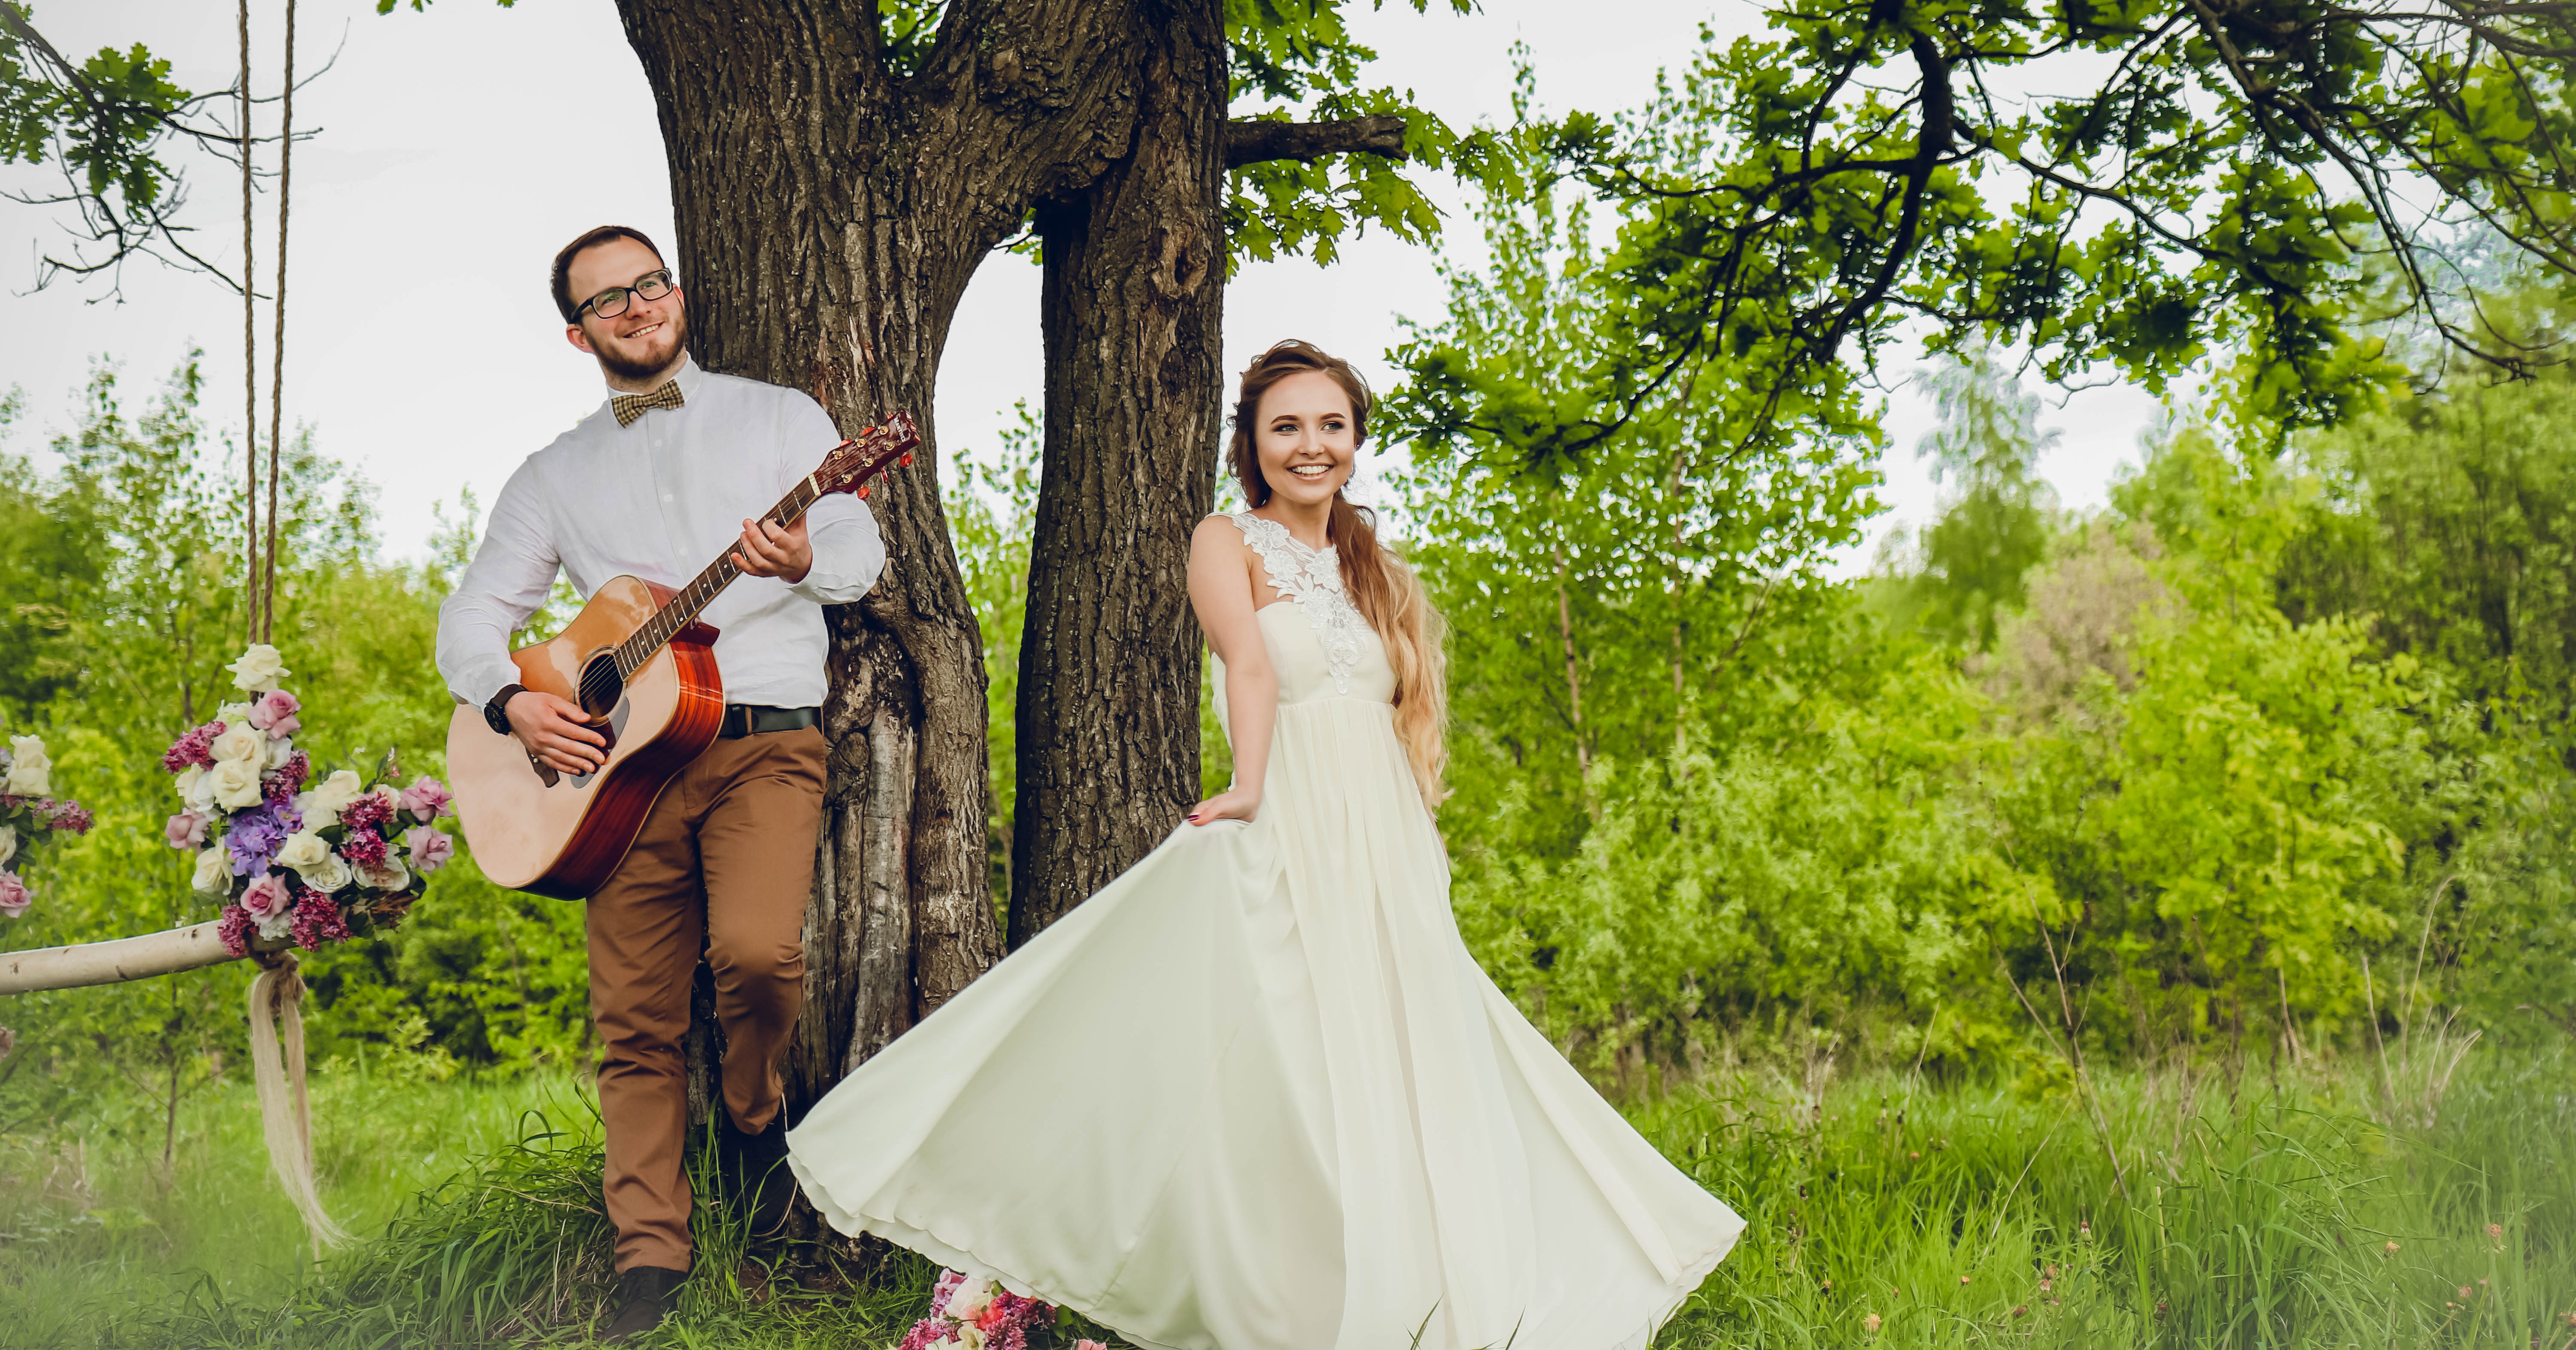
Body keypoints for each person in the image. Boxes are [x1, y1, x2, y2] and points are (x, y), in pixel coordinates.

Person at [787, 340, 1743, 1350]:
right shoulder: (1225, 539)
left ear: (1357, 439)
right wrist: (1247, 784)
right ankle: (1290, 1291)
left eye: (1332, 424)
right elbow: (1248, 662)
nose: (1311, 444)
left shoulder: (1374, 569)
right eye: (1287, 425)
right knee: (1286, 1054)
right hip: (1290, 814)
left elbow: (1398, 714)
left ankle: (1440, 1284)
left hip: (1383, 840)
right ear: (1251, 442)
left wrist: (1415, 835)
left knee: (1416, 1057)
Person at [435, 225, 885, 1340]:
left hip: (763, 743)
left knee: (759, 958)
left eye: (650, 285)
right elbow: (471, 620)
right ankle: (651, 1263)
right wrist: (514, 702)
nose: (637, 309)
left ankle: (751, 1115)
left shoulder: (781, 418)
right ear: (577, 332)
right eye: (608, 301)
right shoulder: (553, 475)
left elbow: (858, 551)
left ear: (676, 292)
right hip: (619, 778)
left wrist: (800, 560)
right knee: (633, 1023)